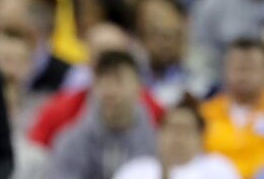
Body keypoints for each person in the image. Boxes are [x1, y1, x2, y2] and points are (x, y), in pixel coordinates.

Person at [46, 51, 158, 179]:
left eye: (118, 81)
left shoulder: (157, 142)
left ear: (138, 87)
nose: (109, 92)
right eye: (102, 81)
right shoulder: (70, 142)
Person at [113, 96, 240, 179]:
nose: (178, 137)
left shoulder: (218, 169)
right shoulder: (135, 171)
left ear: (201, 137)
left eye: (185, 129)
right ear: (159, 134)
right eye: (172, 128)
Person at [201, 39, 264, 178]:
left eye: (251, 68)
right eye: (239, 68)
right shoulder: (204, 113)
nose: (245, 75)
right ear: (225, 70)